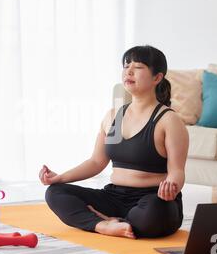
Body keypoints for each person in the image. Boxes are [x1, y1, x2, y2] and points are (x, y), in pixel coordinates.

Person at [39, 45, 189, 239]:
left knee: (153, 212)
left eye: (138, 67)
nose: (129, 71)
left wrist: (172, 187)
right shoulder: (112, 117)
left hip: (153, 199)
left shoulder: (169, 120)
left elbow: (177, 170)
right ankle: (103, 225)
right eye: (126, 65)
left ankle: (112, 221)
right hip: (114, 197)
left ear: (157, 78)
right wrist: (59, 178)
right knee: (55, 193)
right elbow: (96, 162)